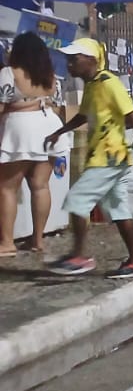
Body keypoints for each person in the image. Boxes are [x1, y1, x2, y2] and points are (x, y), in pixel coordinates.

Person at [43, 39, 133, 278]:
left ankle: (79, 256)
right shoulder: (92, 85)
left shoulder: (108, 82)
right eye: (68, 59)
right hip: (108, 157)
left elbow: (132, 114)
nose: (69, 64)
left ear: (91, 60)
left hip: (109, 157)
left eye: (74, 59)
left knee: (76, 199)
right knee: (117, 208)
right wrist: (59, 131)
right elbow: (83, 115)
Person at [0, 33, 65, 256]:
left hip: (20, 130)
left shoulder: (9, 73)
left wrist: (18, 107)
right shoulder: (52, 77)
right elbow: (55, 105)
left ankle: (7, 243)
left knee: (7, 187)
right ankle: (37, 240)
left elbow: (1, 106)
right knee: (40, 185)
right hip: (50, 127)